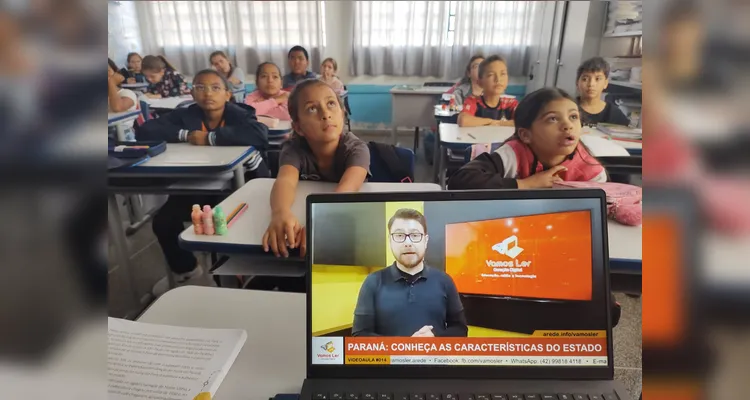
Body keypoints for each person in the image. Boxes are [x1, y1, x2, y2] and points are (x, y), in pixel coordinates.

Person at [137, 69, 269, 295]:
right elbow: (146, 130)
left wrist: (209, 138)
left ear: (228, 94)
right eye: (201, 87)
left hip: (235, 187)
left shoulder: (239, 113)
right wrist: (186, 135)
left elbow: (259, 135)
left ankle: (232, 279)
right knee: (163, 222)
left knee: (223, 225)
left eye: (215, 88)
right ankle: (187, 271)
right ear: (192, 93)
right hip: (195, 185)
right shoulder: (187, 115)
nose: (208, 93)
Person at [262, 79, 370, 259]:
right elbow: (285, 181)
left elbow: (346, 191)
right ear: (298, 127)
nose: (325, 114)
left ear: (342, 113)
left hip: (350, 225)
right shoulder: (293, 149)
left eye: (330, 104)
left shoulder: (357, 149)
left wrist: (321, 220)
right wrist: (280, 213)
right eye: (312, 108)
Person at [449, 87, 606, 189]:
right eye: (552, 119)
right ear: (525, 135)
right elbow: (459, 181)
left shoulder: (592, 173)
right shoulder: (513, 155)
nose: (568, 125)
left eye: (573, 116)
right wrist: (526, 184)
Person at [352, 208, 468, 337]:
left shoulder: (445, 281)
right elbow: (360, 335)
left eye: (415, 235)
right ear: (390, 240)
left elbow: (460, 330)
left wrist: (435, 339)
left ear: (426, 240)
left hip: (434, 357)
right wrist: (404, 346)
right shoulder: (373, 282)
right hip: (390, 358)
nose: (408, 243)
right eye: (399, 235)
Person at [458, 55, 518, 127]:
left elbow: (523, 122)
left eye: (503, 74)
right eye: (491, 75)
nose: (498, 80)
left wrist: (498, 123)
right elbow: (463, 121)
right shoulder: (473, 101)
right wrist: (491, 122)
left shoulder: (510, 103)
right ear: (480, 82)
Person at [576, 57, 631, 126]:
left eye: (597, 79)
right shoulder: (569, 109)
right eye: (585, 79)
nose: (591, 84)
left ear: (605, 83)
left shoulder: (614, 113)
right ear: (577, 83)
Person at [108, 58, 139, 139]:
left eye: (107, 71)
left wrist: (111, 82)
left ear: (116, 73)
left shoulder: (127, 93)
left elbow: (117, 107)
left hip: (119, 136)